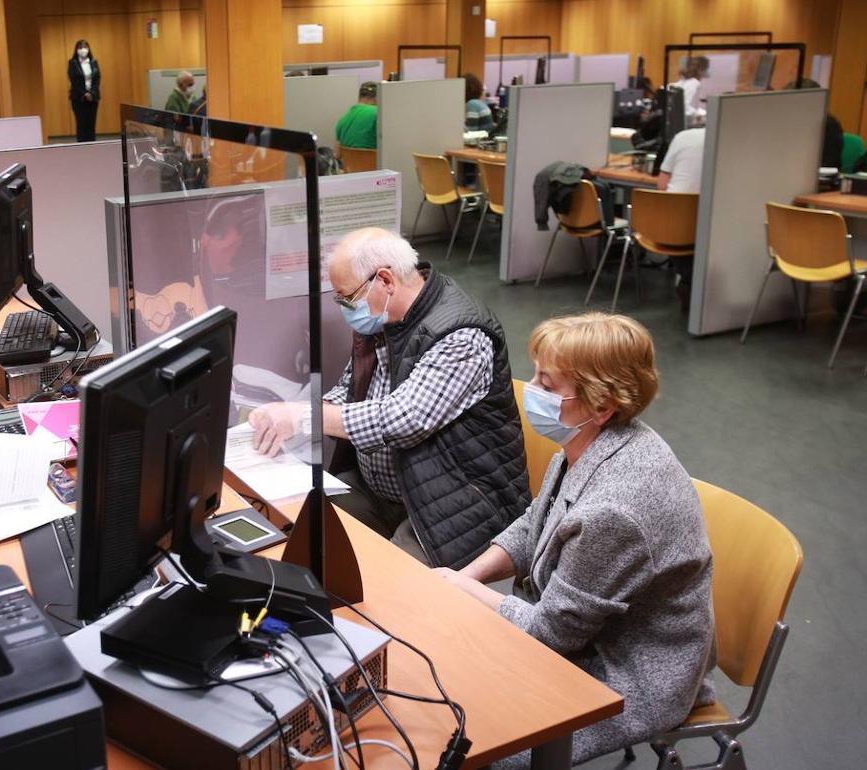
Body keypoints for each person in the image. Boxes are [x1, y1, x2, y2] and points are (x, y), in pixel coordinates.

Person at [436, 312, 716, 768]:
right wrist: (465, 577)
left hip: (628, 673)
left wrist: (466, 592)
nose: (531, 391)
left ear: (601, 405)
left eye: (547, 385)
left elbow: (550, 635)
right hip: (586, 636)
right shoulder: (591, 441)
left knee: (470, 740)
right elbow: (536, 523)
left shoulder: (615, 510)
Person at [249, 228, 530, 568]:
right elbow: (351, 391)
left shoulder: (462, 335)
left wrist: (306, 417)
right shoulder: (383, 320)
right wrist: (292, 418)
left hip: (457, 504)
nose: (344, 308)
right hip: (386, 490)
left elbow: (403, 419)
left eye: (346, 298)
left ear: (384, 280)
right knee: (298, 526)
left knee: (386, 583)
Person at [67, 39, 100, 142]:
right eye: (80, 47)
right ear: (76, 50)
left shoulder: (94, 62)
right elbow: (74, 80)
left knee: (91, 124)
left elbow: (97, 79)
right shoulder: (73, 63)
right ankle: (81, 146)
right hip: (78, 98)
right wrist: (84, 93)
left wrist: (91, 93)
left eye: (85, 47)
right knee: (81, 124)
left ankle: (92, 145)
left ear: (89, 49)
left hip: (93, 98)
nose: (83, 50)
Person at [657, 125, 704, 193]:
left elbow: (662, 184)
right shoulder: (720, 141)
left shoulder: (684, 136)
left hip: (673, 198)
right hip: (706, 199)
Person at [335, 81, 379, 150]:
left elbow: (337, 153)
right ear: (378, 97)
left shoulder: (343, 119)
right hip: (373, 157)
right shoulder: (378, 113)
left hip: (348, 157)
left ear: (359, 97)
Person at [671, 56, 709, 125]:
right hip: (685, 122)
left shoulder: (685, 81)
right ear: (701, 70)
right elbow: (685, 107)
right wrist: (702, 113)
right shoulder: (694, 83)